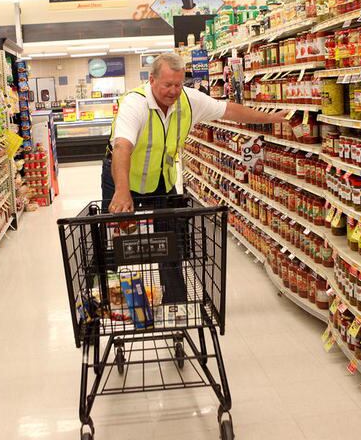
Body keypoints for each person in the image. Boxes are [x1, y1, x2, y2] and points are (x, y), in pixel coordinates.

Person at [101, 53, 288, 303]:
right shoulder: (135, 103)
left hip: (161, 181)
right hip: (122, 178)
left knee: (170, 243)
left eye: (178, 84)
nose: (173, 91)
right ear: (152, 80)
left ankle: (175, 303)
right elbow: (122, 147)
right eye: (167, 84)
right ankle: (109, 298)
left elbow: (228, 110)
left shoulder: (189, 100)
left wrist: (271, 118)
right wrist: (122, 191)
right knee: (114, 243)